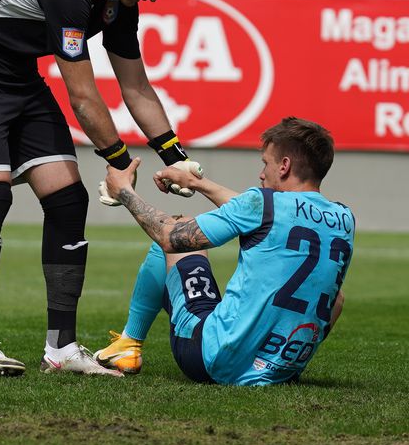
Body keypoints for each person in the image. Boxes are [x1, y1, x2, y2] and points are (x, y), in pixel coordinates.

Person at [0, 0, 201, 378]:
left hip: (18, 73)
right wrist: (118, 162)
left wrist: (177, 159)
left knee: (68, 199)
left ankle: (61, 350)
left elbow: (136, 88)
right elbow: (83, 96)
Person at [98, 117, 354, 386]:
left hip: (211, 359)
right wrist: (196, 182)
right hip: (280, 372)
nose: (261, 174)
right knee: (336, 298)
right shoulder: (344, 218)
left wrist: (124, 191)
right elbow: (261, 212)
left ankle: (129, 343)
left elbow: (170, 238)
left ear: (284, 166)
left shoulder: (264, 203)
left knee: (180, 228)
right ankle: (278, 362)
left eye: (265, 163)